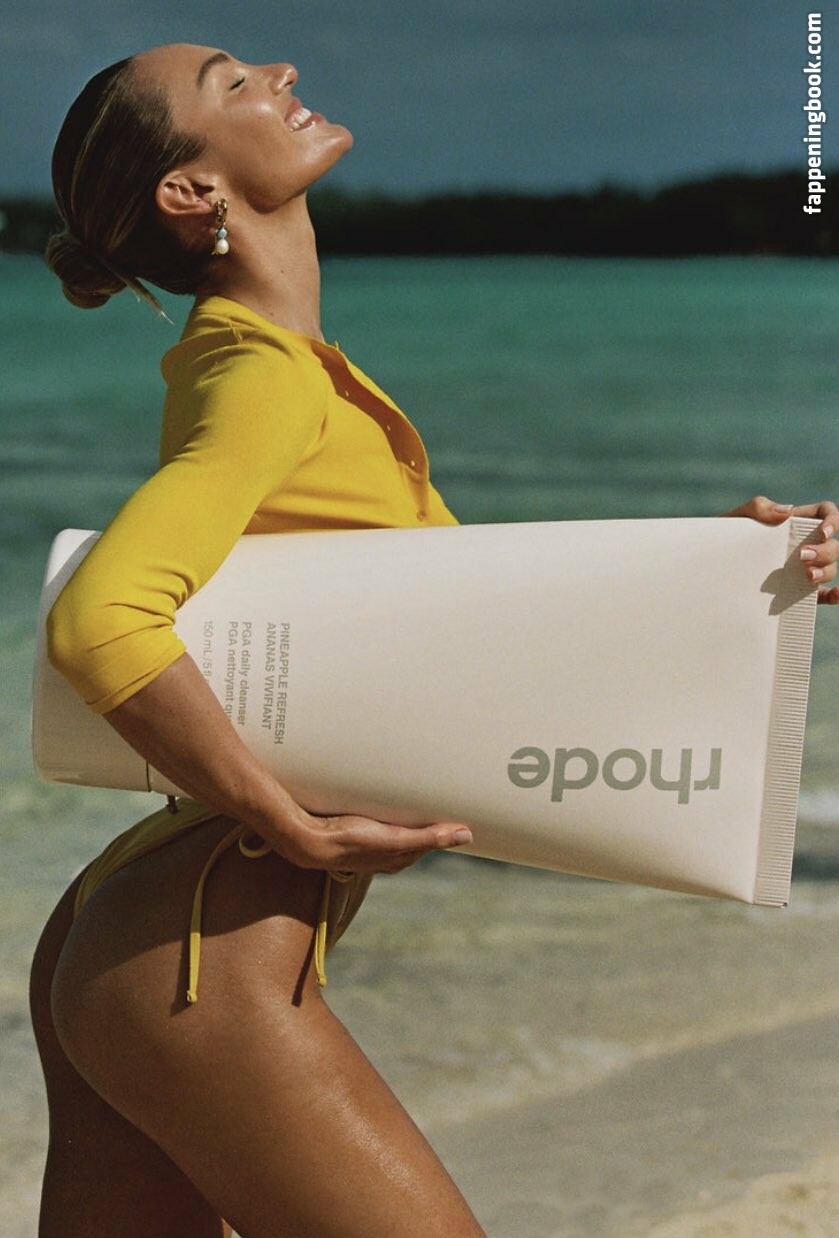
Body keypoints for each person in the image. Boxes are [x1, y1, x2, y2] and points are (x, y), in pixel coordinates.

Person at [29, 42, 839, 1238]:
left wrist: (721, 567)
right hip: (202, 954)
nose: (279, 68)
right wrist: (291, 820)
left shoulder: (282, 366)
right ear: (190, 192)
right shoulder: (263, 377)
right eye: (232, 82)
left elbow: (462, 638)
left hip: (150, 927)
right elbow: (99, 615)